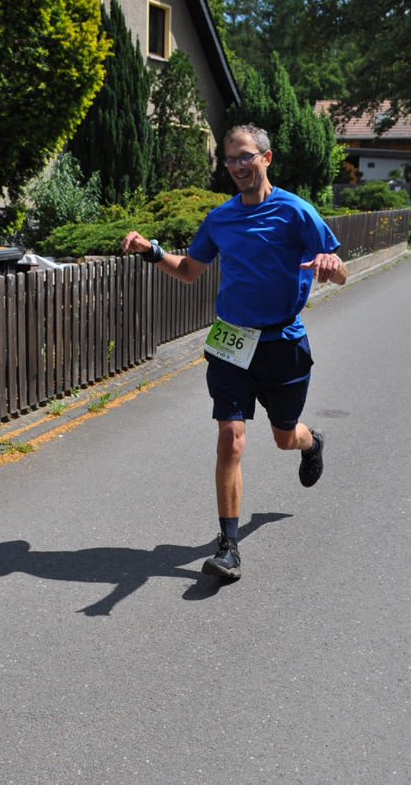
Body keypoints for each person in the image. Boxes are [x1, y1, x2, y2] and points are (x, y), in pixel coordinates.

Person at [121, 123, 347, 581]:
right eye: (230, 159)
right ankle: (228, 547)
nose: (238, 165)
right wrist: (151, 251)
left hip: (282, 344)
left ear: (266, 158)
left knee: (284, 436)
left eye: (245, 156)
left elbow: (339, 270)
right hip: (230, 342)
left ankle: (311, 442)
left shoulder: (296, 212)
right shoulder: (220, 218)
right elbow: (190, 269)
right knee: (231, 437)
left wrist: (332, 265)